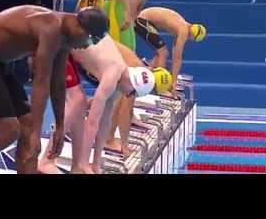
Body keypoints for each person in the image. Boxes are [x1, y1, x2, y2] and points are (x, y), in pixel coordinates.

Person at [0, 6, 109, 174]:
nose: (85, 46)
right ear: (79, 27)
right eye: (90, 40)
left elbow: (58, 83)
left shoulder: (65, 38)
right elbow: (41, 82)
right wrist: (36, 134)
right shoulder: (51, 27)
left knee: (27, 128)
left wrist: (60, 127)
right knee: (9, 131)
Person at [37, 35, 171, 174]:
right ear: (132, 84)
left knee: (81, 103)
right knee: (77, 101)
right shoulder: (112, 75)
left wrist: (95, 164)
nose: (128, 96)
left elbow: (104, 123)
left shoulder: (121, 79)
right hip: (60, 42)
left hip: (72, 46)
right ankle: (47, 160)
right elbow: (92, 123)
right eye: (132, 94)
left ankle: (77, 167)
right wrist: (85, 162)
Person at [135, 7, 206, 97]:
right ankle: (159, 87)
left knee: (162, 53)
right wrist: (173, 82)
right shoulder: (184, 31)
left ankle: (146, 78)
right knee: (163, 52)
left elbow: (175, 55)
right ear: (193, 36)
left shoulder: (182, 26)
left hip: (144, 20)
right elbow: (177, 58)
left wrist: (172, 79)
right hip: (142, 20)